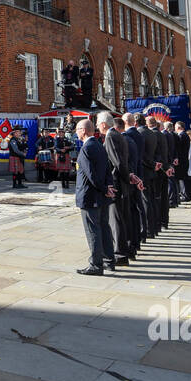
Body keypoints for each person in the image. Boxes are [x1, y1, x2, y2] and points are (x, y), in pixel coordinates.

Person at [74, 116, 115, 276]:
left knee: (93, 231)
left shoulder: (86, 148)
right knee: (104, 228)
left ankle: (96, 265)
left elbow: (90, 175)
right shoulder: (99, 145)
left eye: (77, 129)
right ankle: (109, 261)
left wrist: (104, 188)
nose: (76, 133)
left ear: (83, 131)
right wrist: (108, 187)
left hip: (90, 196)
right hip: (102, 195)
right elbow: (107, 168)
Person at [102, 112, 139, 266]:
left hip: (117, 183)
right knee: (122, 219)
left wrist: (126, 178)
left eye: (98, 124)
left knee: (116, 220)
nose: (98, 127)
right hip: (122, 182)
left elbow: (117, 162)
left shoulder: (111, 136)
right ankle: (125, 251)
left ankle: (120, 254)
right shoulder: (119, 136)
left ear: (104, 124)